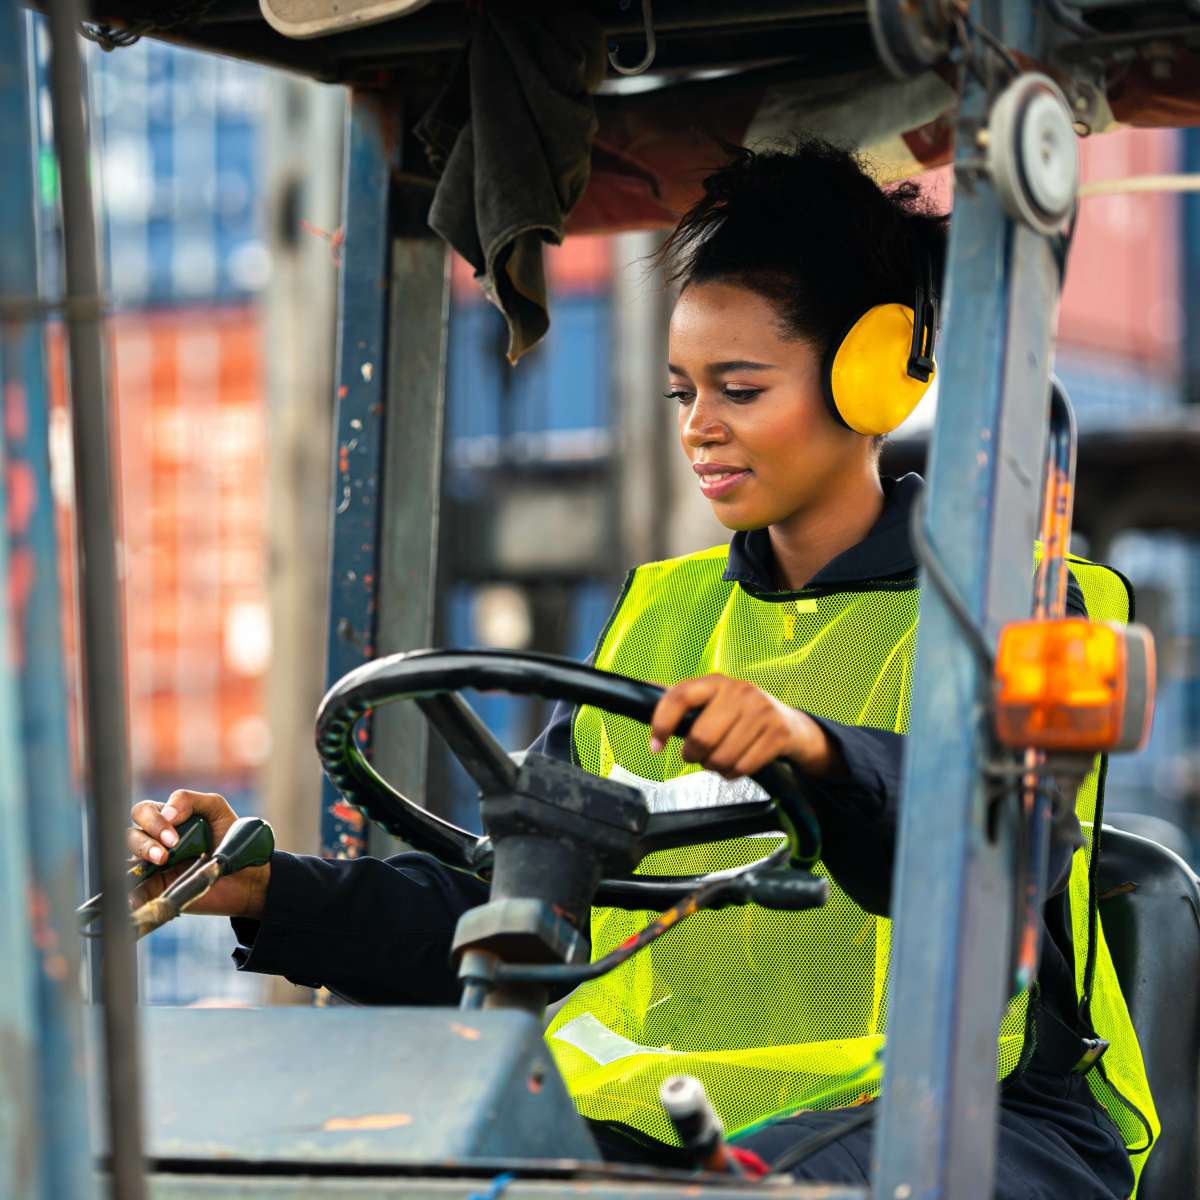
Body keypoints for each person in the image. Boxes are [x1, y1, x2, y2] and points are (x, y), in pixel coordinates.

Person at [128, 141, 1153, 1197]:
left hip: (969, 1120)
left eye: (740, 389)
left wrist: (816, 753)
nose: (701, 429)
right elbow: (518, 910)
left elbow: (979, 847)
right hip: (676, 1125)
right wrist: (265, 891)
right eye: (682, 394)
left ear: (873, 376)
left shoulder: (999, 607)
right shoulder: (665, 617)